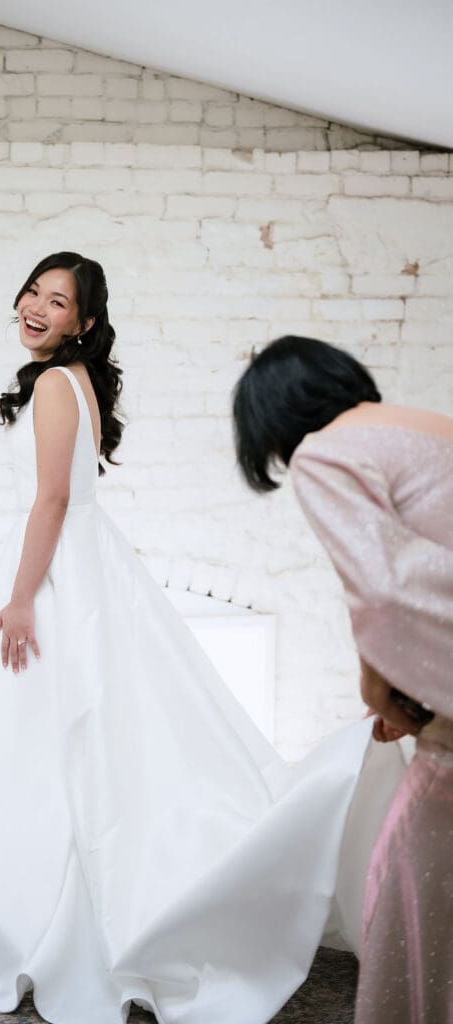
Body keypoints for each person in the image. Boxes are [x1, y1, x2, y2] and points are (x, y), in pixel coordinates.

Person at [0, 259, 401, 1024]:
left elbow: (50, 499)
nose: (36, 307)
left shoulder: (54, 384)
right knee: (78, 738)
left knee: (49, 737)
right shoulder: (75, 380)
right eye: (33, 292)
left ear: (82, 322)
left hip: (55, 572)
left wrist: (20, 599)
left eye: (57, 302)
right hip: (87, 565)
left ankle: (31, 905)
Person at [232, 334, 453, 1024]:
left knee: (407, 872)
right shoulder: (427, 426)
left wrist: (380, 693)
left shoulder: (323, 452)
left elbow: (381, 587)